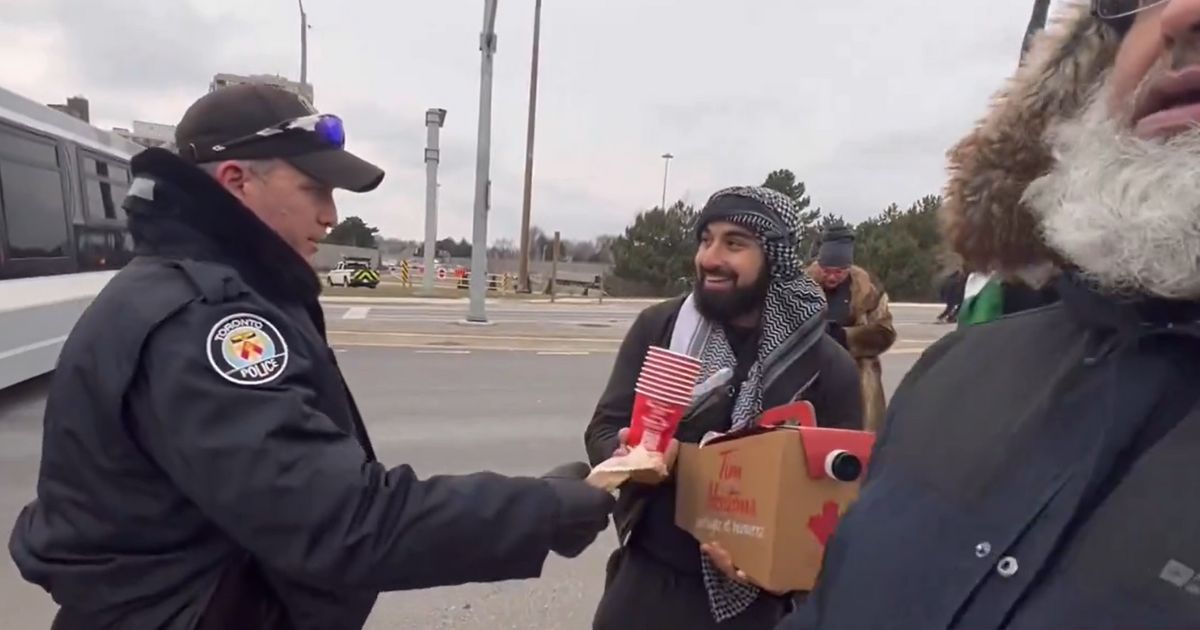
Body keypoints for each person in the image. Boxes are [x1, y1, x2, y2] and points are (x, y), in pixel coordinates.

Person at [7, 84, 615, 630]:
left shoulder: (191, 286)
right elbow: (339, 520)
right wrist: (541, 513)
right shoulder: (203, 320)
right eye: (312, 187)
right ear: (236, 182)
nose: (330, 213)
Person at [779, 1, 1200, 628]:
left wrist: (846, 335)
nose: (1183, 14)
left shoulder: (867, 287)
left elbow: (881, 328)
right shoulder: (956, 371)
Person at [586, 186, 864, 630]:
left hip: (763, 601)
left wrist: (782, 568)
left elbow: (844, 494)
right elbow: (603, 430)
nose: (710, 258)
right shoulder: (660, 328)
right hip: (650, 582)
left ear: (774, 257)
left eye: (734, 244)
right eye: (705, 239)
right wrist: (635, 455)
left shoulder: (823, 362)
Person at [805, 226, 896, 433]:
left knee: (855, 440)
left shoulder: (868, 290)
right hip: (813, 377)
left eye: (839, 271)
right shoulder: (802, 287)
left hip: (857, 379)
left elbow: (885, 332)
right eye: (826, 270)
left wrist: (846, 337)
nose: (832, 277)